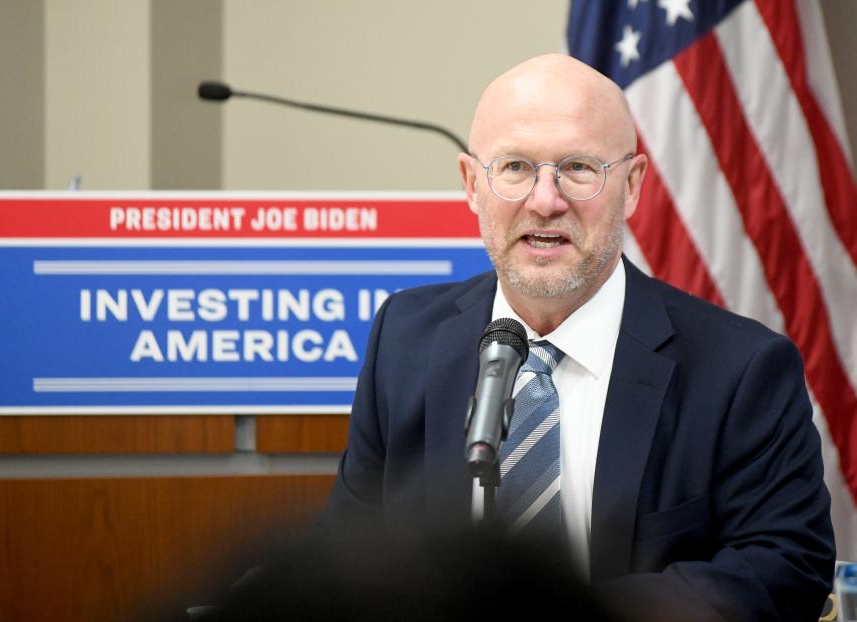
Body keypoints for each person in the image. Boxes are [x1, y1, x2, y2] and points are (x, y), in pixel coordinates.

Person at [321, 54, 835, 621]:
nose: (545, 200)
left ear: (632, 186)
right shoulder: (406, 338)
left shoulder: (740, 370)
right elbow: (348, 551)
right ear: (472, 185)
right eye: (515, 167)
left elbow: (785, 568)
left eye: (579, 168)